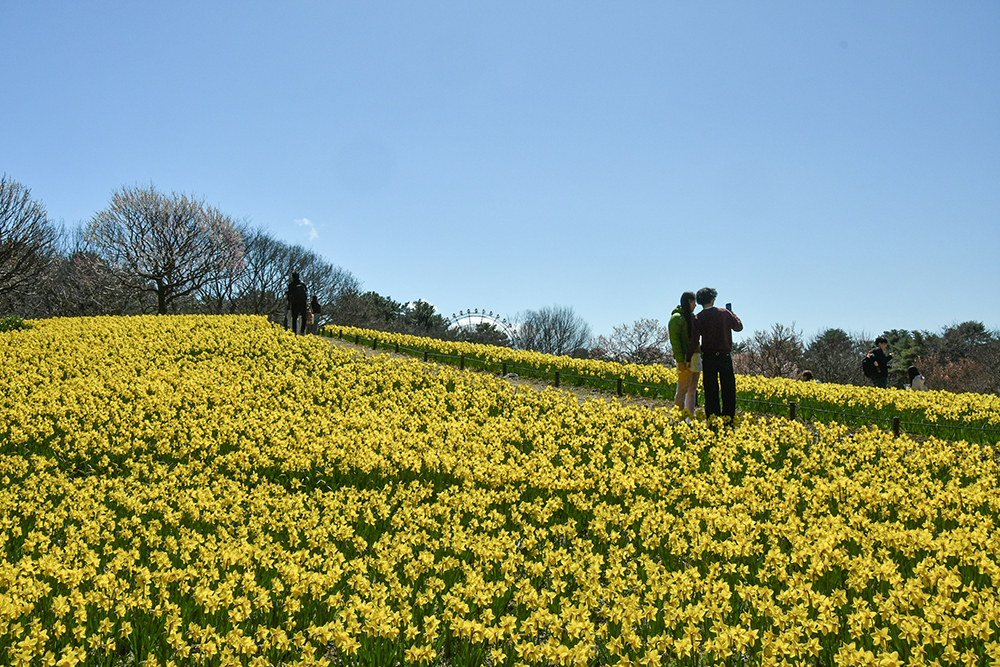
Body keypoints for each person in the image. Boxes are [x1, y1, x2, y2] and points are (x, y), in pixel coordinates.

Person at [689, 287, 743, 423]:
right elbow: (739, 327)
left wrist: (688, 357)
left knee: (711, 390)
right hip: (725, 356)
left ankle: (713, 419)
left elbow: (694, 340)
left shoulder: (698, 317)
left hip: (709, 357)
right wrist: (732, 313)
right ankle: (728, 419)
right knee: (728, 389)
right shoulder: (725, 314)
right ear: (713, 299)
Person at [668, 291, 700, 414]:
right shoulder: (676, 318)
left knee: (692, 390)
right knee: (682, 390)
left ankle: (689, 417)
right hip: (685, 358)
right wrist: (680, 360)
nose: (695, 305)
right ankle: (679, 417)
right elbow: (675, 342)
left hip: (695, 356)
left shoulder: (691, 316)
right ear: (688, 302)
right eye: (693, 302)